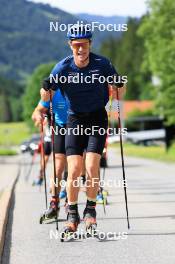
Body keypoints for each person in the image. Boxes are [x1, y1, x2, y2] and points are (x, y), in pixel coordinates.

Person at [41, 24, 126, 233]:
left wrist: (119, 84)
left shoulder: (103, 64)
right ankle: (72, 213)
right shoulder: (62, 68)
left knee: (91, 166)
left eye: (84, 45)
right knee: (75, 169)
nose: (81, 49)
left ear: (90, 44)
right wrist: (46, 89)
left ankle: (90, 210)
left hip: (97, 118)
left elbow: (119, 95)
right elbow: (45, 99)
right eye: (77, 45)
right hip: (74, 120)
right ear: (70, 45)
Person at [32, 89, 68, 220]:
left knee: (74, 166)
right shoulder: (53, 91)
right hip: (57, 129)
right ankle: (54, 203)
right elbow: (36, 111)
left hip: (78, 127)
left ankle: (70, 202)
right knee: (57, 165)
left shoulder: (81, 83)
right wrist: (38, 117)